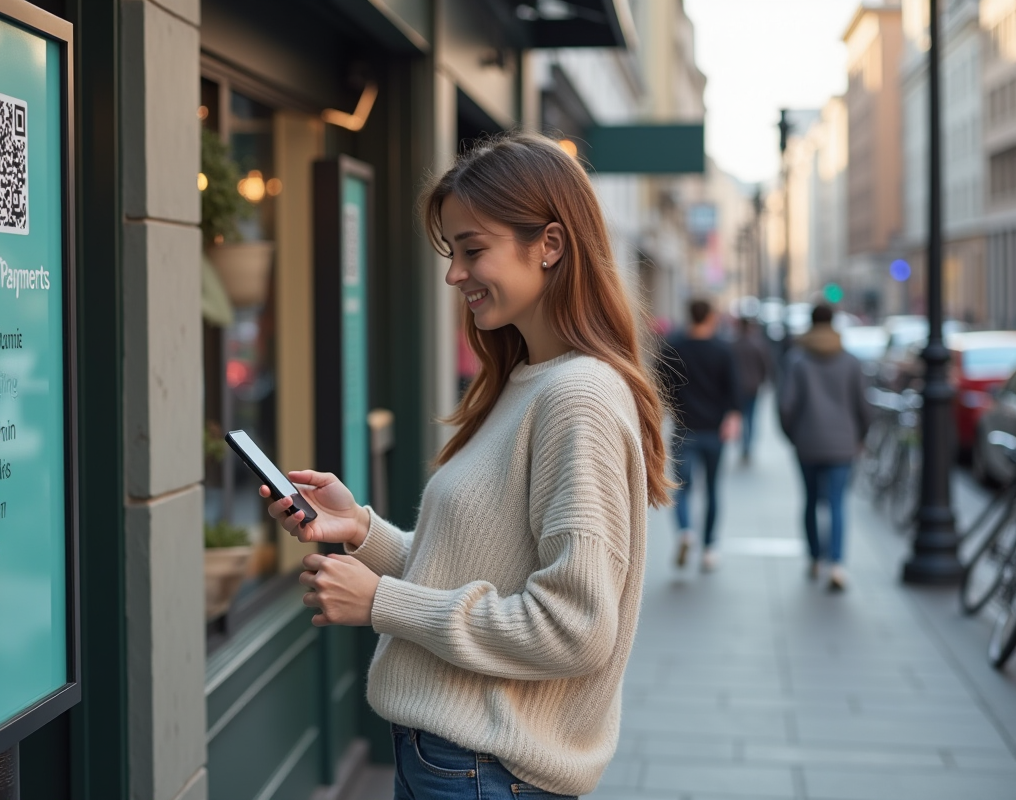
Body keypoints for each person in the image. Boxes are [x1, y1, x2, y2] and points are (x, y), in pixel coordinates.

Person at [257, 133, 671, 800]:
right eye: (453, 253)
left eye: (473, 250)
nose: (454, 275)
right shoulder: (531, 380)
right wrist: (362, 531)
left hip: (485, 772)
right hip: (459, 764)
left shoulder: (578, 397)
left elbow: (575, 628)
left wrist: (382, 602)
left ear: (551, 245)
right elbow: (483, 568)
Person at [777, 304, 872, 591]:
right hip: (843, 444)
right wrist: (860, 437)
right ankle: (838, 564)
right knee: (837, 502)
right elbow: (863, 407)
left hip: (807, 442)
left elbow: (786, 405)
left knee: (809, 501)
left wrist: (792, 435)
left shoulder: (798, 360)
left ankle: (815, 557)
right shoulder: (851, 361)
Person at [659, 300, 741, 571]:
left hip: (684, 429)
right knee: (713, 489)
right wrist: (732, 417)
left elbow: (661, 387)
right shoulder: (723, 349)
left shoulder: (674, 346)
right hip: (714, 430)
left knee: (682, 487)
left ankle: (685, 531)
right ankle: (709, 548)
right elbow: (734, 390)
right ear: (710, 318)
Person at [731, 316, 773, 463]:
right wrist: (763, 380)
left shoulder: (733, 345)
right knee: (751, 417)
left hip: (737, 388)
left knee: (740, 416)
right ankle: (748, 446)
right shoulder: (757, 344)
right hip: (753, 386)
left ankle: (744, 444)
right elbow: (765, 365)